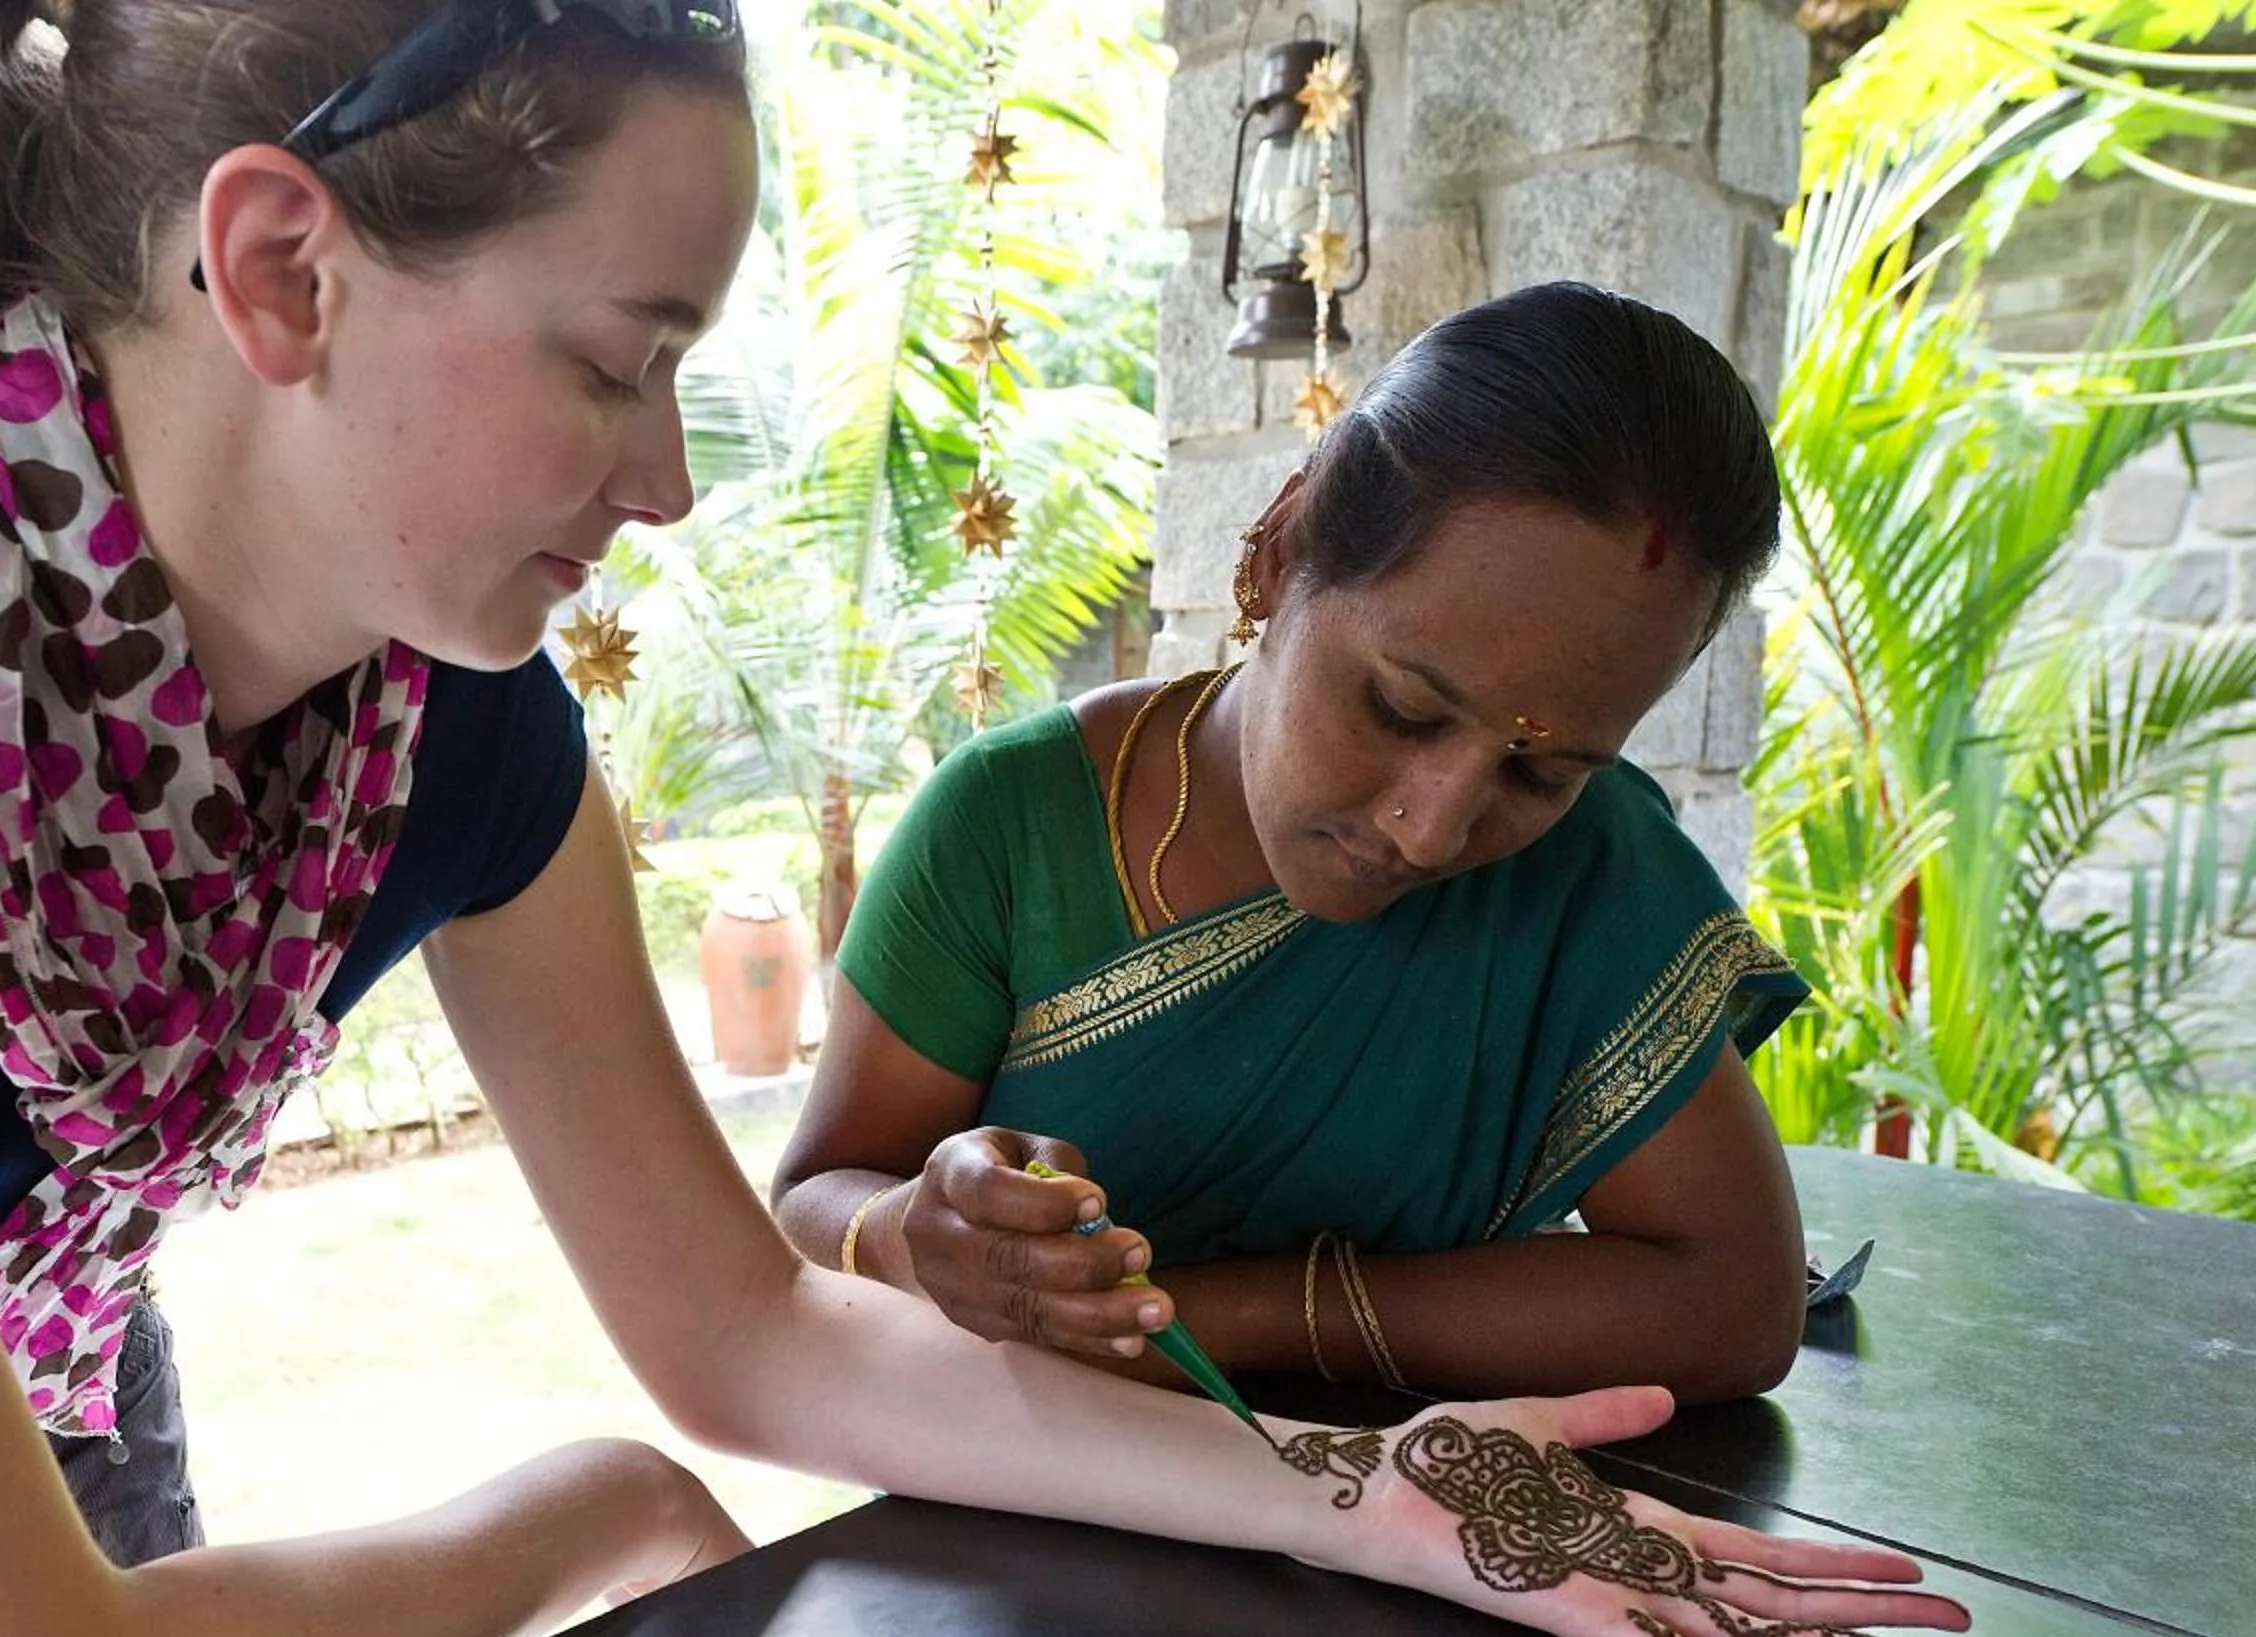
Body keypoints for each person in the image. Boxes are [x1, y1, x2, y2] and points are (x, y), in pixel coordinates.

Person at [0, 2, 1962, 1637]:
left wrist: (1380, 1498)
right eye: (616, 363)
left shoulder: (452, 724)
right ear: (278, 266)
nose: (668, 478)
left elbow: (753, 1327)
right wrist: (560, 1508)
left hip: (24, 1376)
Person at [777, 283, 1818, 1408]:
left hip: (1392, 1526)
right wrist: (911, 1230)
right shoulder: (1009, 823)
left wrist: (1231, 1313)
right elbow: (812, 1198)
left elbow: (1735, 1304)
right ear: (1284, 549)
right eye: (1404, 710)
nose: (1432, 828)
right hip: (988, 1510)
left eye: (1542, 772)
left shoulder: (1587, 872)